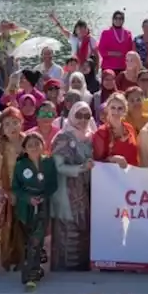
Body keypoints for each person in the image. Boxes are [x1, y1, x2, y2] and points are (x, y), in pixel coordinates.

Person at [51, 101, 95, 270]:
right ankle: (64, 272)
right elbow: (59, 166)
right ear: (71, 115)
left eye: (87, 116)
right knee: (67, 233)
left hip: (85, 193)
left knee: (83, 233)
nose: (83, 120)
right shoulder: (63, 137)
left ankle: (81, 269)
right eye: (79, 115)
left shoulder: (90, 137)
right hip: (67, 194)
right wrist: (81, 168)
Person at [13, 132, 59, 291]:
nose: (33, 147)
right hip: (26, 206)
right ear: (24, 148)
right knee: (29, 240)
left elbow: (54, 184)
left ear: (43, 146)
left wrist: (43, 197)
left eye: (36, 143)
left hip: (42, 204)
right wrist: (28, 198)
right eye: (30, 145)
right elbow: (16, 188)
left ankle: (30, 275)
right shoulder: (20, 165)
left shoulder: (49, 162)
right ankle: (35, 268)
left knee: (36, 239)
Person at [0, 106, 27, 271]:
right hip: (7, 192)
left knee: (24, 226)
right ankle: (7, 259)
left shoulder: (28, 141)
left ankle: (23, 258)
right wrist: (4, 193)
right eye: (7, 124)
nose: (12, 128)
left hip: (26, 192)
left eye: (15, 123)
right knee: (7, 226)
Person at [93, 93, 139, 167]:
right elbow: (96, 162)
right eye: (113, 108)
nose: (116, 112)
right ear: (107, 109)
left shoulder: (130, 128)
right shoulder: (101, 132)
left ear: (125, 110)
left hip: (132, 175)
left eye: (120, 108)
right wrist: (112, 159)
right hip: (112, 177)